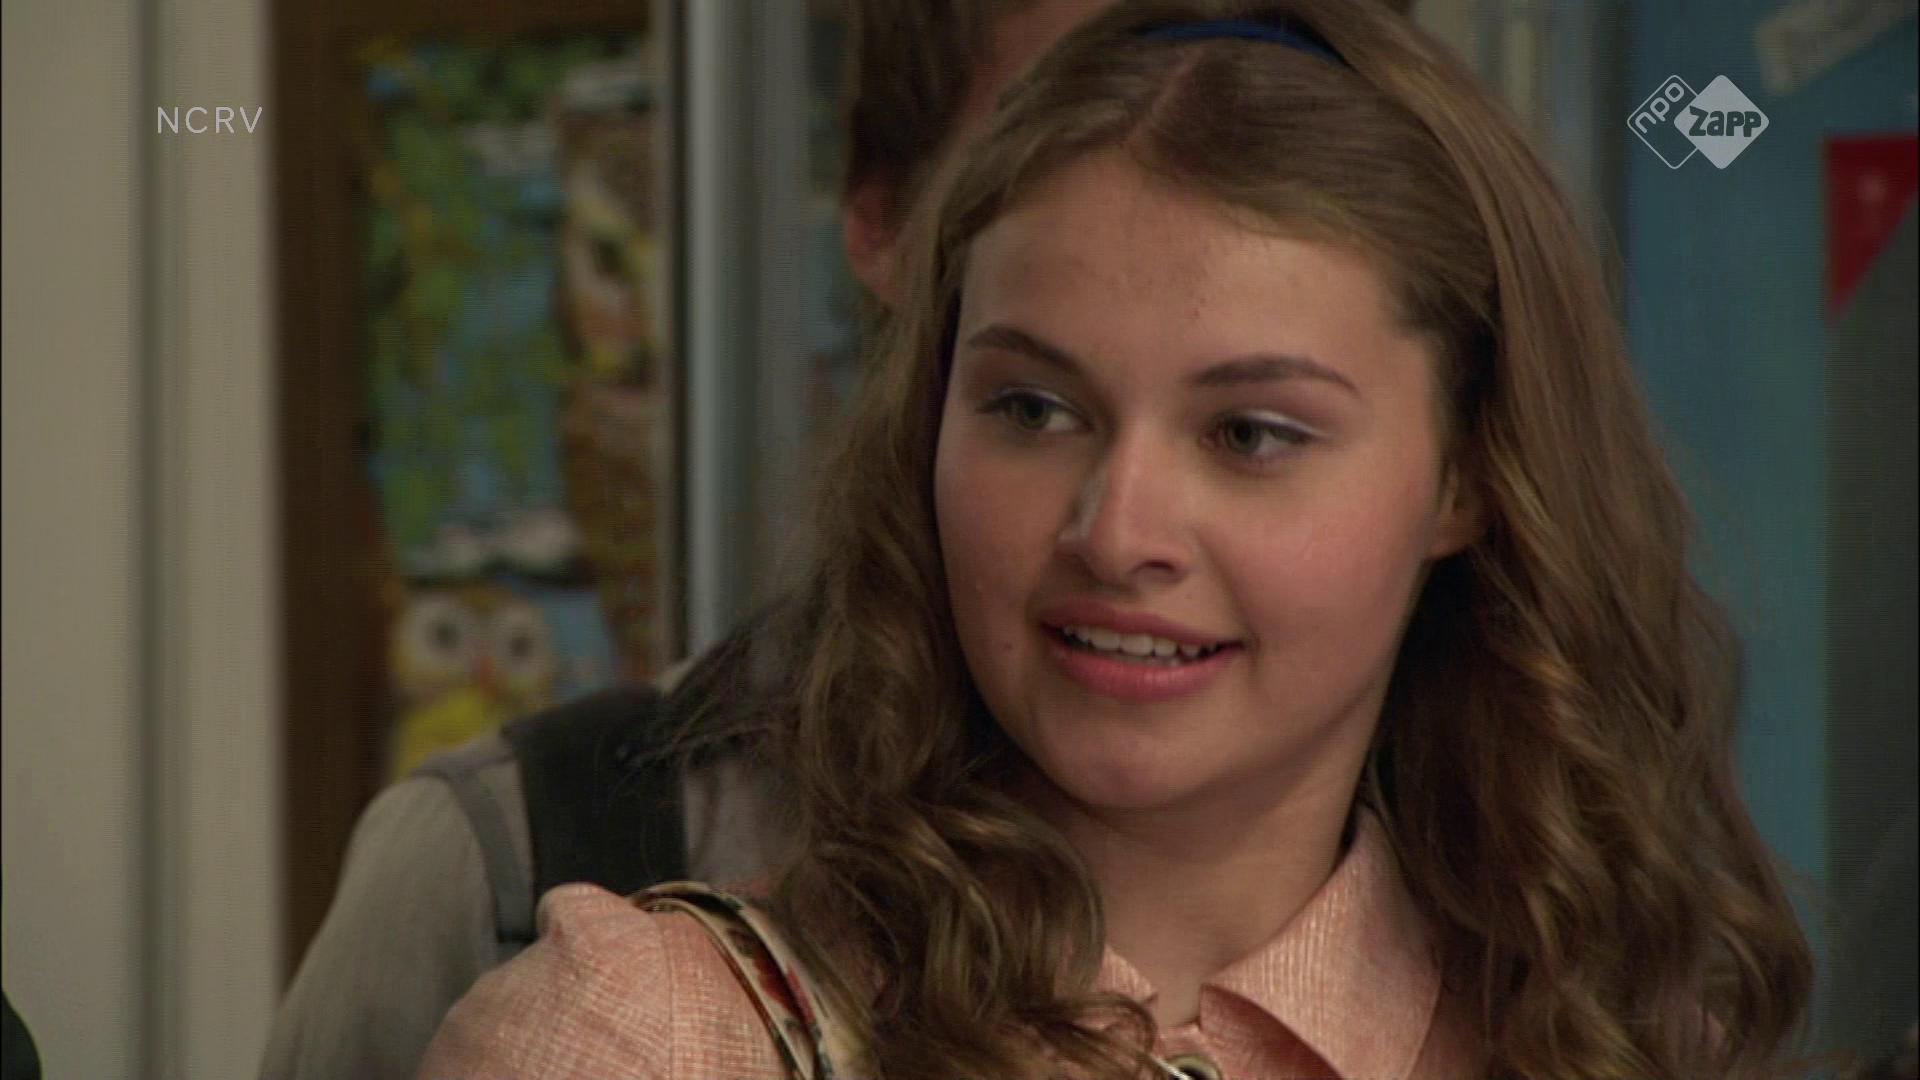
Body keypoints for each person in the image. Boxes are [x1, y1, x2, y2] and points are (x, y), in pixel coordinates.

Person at [418, 2, 1814, 1078]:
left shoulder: (1607, 1042)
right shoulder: (648, 1038)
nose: (1117, 530)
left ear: (1467, 477)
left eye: (1251, 433)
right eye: (1033, 409)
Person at [256, 3, 1120, 1079]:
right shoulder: (518, 861)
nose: (1165, 217)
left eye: (1250, 129)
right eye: (1071, 130)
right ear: (881, 215)